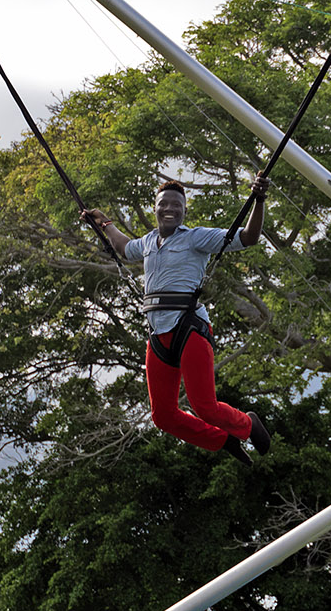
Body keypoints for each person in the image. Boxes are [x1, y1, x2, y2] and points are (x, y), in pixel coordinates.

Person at [82, 177, 271, 455]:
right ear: (155, 208)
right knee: (163, 417)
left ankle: (248, 423)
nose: (170, 208)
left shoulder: (196, 238)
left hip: (189, 328)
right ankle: (222, 441)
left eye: (177, 205)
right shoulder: (147, 242)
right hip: (157, 335)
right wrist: (105, 224)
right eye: (164, 204)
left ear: (184, 211)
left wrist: (259, 200)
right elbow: (124, 247)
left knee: (204, 407)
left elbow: (248, 237)